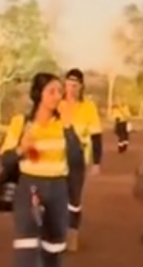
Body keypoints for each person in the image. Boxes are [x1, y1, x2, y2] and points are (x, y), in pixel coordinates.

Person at [0, 72, 83, 267]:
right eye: (52, 91)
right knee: (25, 258)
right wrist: (21, 149)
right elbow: (6, 159)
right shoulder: (20, 123)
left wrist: (70, 130)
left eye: (60, 91)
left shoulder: (65, 125)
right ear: (39, 95)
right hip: (29, 191)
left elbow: (76, 161)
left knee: (53, 253)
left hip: (57, 192)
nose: (58, 96)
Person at [60, 68, 102, 251]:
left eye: (75, 86)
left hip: (78, 159)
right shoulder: (57, 104)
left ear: (81, 86)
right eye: (68, 85)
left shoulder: (88, 107)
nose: (71, 89)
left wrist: (97, 162)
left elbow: (96, 136)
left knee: (74, 198)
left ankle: (72, 235)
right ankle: (55, 233)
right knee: (56, 196)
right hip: (56, 158)